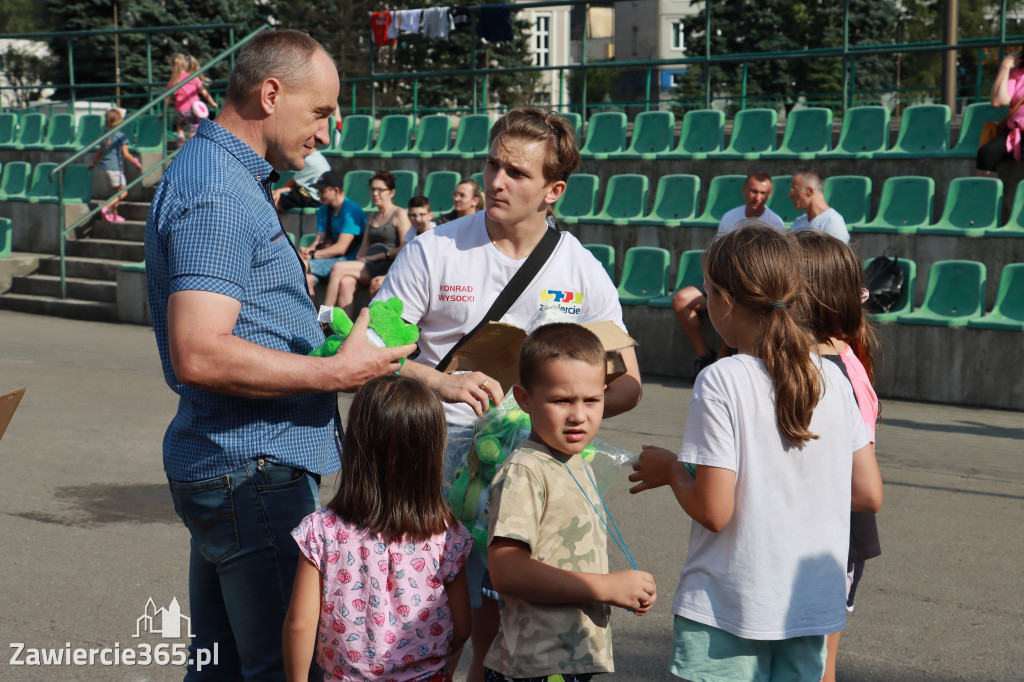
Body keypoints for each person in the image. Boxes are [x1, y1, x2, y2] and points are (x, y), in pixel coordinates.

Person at [144, 30, 414, 681]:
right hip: (252, 472)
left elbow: (253, 332)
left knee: (223, 667)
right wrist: (334, 373)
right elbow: (199, 353)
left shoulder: (220, 174)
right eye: (321, 111)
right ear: (271, 94)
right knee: (286, 669)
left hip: (236, 468)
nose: (331, 130)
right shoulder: (220, 191)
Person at [375, 107, 643, 682]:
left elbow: (628, 382)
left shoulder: (582, 271)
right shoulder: (433, 250)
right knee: (424, 622)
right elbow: (371, 353)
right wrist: (441, 381)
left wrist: (547, 415)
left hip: (529, 473)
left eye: (517, 173)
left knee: (500, 628)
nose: (497, 181)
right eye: (493, 165)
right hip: (430, 460)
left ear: (554, 190)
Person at [628, 223, 883, 682]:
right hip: (809, 605)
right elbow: (870, 492)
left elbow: (714, 510)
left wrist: (671, 471)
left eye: (707, 293)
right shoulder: (835, 381)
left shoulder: (722, 379)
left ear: (725, 300)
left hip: (732, 603)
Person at [485, 323, 657, 682]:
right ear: (525, 398)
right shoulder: (526, 470)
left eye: (592, 400)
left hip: (569, 658)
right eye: (562, 400)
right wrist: (606, 587)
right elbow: (507, 570)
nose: (579, 415)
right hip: (537, 665)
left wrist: (624, 588)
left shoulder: (574, 460)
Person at [283, 374, 473, 682]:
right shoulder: (446, 534)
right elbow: (462, 625)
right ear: (432, 451)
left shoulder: (322, 530)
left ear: (357, 444)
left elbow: (299, 625)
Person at [794, 230, 882, 682]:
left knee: (817, 662)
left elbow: (865, 489)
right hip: (820, 527)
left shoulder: (832, 371)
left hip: (834, 531)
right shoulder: (835, 357)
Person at [671, 172, 784, 373]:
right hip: (721, 282)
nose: (757, 197)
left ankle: (724, 357)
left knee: (732, 302)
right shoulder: (730, 216)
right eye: (753, 191)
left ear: (770, 195)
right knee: (680, 299)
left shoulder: (775, 222)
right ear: (744, 190)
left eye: (763, 193)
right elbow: (716, 253)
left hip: (751, 288)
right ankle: (705, 356)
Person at [323, 169, 410, 313]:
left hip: (386, 265)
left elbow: (405, 248)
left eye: (380, 190)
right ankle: (345, 332)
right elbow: (364, 247)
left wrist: (380, 256)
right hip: (368, 264)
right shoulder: (371, 217)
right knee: (346, 283)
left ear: (391, 192)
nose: (375, 193)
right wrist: (360, 259)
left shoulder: (400, 214)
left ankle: (323, 319)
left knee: (338, 267)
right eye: (373, 189)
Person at [299, 170, 367, 297]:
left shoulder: (351, 210)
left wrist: (312, 255)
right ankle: (316, 317)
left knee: (299, 264)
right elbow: (319, 239)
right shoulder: (324, 208)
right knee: (306, 280)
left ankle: (326, 317)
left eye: (322, 191)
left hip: (346, 261)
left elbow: (341, 249)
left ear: (335, 190)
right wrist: (307, 251)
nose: (319, 195)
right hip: (328, 259)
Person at [367, 195, 435, 298]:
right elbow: (403, 256)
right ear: (408, 216)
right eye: (413, 215)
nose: (417, 219)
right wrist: (387, 276)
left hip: (430, 276)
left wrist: (386, 277)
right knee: (376, 284)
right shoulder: (411, 231)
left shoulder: (435, 233)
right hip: (414, 273)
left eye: (422, 214)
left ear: (430, 215)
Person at [87, 107, 142, 222]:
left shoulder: (105, 135)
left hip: (103, 168)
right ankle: (105, 207)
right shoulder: (120, 136)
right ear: (120, 121)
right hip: (114, 169)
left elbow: (99, 152)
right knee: (123, 192)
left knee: (117, 192)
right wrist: (136, 162)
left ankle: (114, 215)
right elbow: (126, 154)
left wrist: (94, 163)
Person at [978, 49, 1024, 177]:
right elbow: (998, 101)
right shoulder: (1018, 73)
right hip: (1017, 131)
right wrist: (1005, 68)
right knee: (986, 153)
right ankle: (991, 195)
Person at [167, 53, 218, 145]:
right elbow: (204, 92)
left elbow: (168, 98)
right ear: (185, 64)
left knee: (181, 126)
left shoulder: (173, 80)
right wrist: (212, 102)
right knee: (193, 127)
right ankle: (192, 144)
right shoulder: (192, 77)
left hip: (180, 110)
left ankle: (181, 137)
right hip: (193, 109)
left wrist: (164, 110)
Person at [789, 168, 850, 243]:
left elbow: (836, 254)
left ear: (809, 191)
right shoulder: (797, 223)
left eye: (794, 190)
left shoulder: (833, 222)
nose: (790, 195)